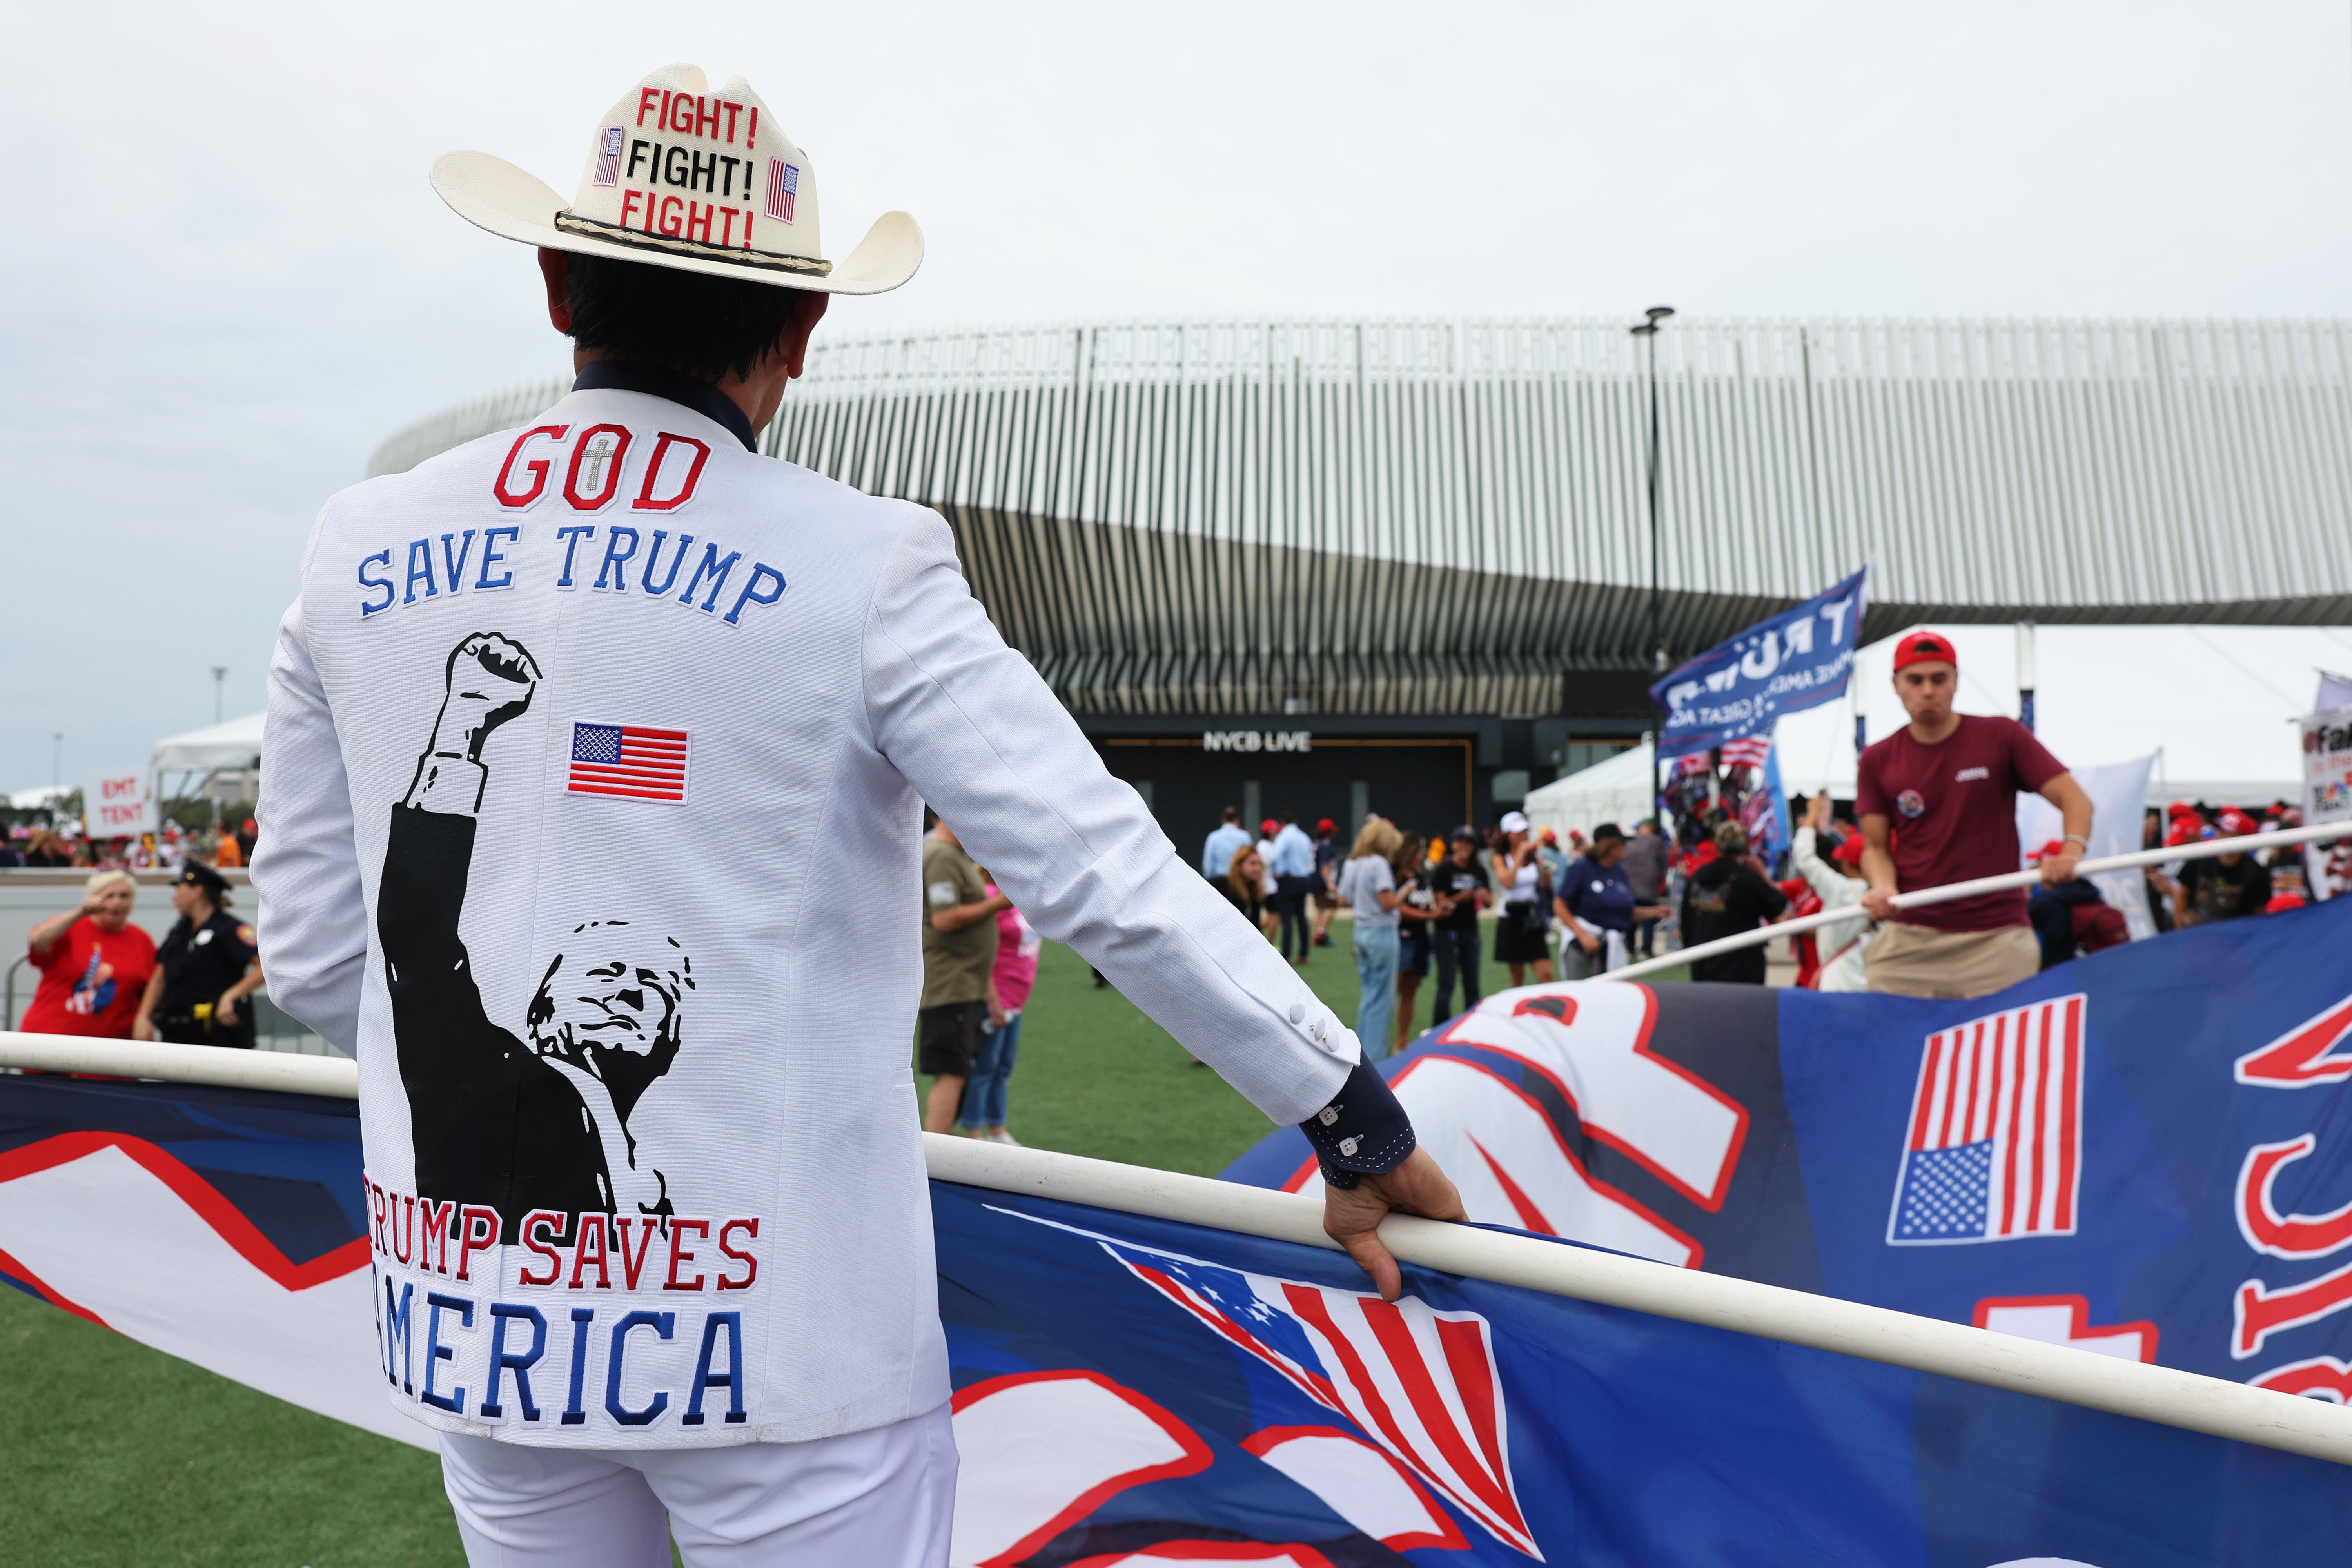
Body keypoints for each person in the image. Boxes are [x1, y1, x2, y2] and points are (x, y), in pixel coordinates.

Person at [252, 64, 1461, 1567]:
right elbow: (1097, 872)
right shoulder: (862, 562)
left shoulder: (356, 544)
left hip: (487, 1337)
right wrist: (1349, 1112)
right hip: (791, 1347)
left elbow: (315, 958)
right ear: (804, 329)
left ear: (559, 286)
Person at [1857, 630, 2093, 1000]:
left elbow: (2074, 798)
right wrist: (1883, 887)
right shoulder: (1877, 758)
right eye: (1915, 680)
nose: (1928, 691)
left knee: (2001, 1054)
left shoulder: (2000, 735)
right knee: (1892, 1048)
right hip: (1912, 936)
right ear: (1896, 685)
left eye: (1939, 679)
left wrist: (2071, 853)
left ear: (1956, 681)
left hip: (1998, 938)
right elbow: (1875, 848)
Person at [920, 818, 1008, 1135]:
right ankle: (936, 1162)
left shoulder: (955, 855)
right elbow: (944, 919)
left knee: (958, 1072)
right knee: (951, 1073)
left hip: (963, 985)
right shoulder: (941, 855)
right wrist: (997, 903)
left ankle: (940, 1155)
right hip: (949, 986)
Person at [135, 862, 261, 1047]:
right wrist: (144, 1016)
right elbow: (161, 973)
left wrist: (231, 996)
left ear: (198, 891)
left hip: (217, 1036)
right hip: (177, 1034)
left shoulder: (229, 928)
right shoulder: (180, 932)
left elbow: (263, 968)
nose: (174, 897)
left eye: (179, 890)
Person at [21, 870, 157, 1039]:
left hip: (112, 1049)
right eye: (109, 896)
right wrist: (82, 911)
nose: (117, 903)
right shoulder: (71, 928)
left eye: (124, 896)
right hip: (51, 1040)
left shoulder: (141, 940)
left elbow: (154, 988)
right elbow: (38, 942)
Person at [956, 878, 1038, 1145]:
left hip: (1017, 998)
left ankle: (998, 1130)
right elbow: (979, 953)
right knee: (984, 1066)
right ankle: (973, 1132)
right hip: (995, 998)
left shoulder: (1021, 897)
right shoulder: (991, 897)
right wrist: (992, 1000)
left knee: (1002, 1067)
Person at [1553, 823, 1668, 980]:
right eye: (1621, 843)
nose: (1625, 846)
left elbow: (1624, 912)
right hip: (1583, 945)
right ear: (1608, 845)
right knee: (1583, 995)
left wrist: (1655, 912)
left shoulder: (1619, 871)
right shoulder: (1582, 868)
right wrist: (1582, 935)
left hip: (1611, 946)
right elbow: (1560, 904)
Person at [1679, 822, 1789, 984]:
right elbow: (1777, 905)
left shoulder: (1698, 877)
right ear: (1745, 847)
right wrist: (1761, 873)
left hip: (1703, 966)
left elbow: (1686, 924)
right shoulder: (1746, 878)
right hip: (1742, 971)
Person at [1789, 793, 1872, 991]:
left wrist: (1812, 815)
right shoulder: (1895, 894)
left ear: (1848, 864)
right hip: (1871, 983)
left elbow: (1805, 858)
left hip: (1840, 983)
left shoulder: (1843, 890)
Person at [1338, 818, 1405, 1059]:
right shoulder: (1379, 864)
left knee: (1369, 995)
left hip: (1361, 931)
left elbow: (1343, 899)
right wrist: (1404, 894)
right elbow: (1387, 904)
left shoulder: (1352, 863)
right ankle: (1376, 1058)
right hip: (1381, 932)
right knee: (1382, 1000)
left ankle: (1361, 1053)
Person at [2151, 810, 2272, 926]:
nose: (2221, 836)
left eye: (2228, 833)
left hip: (2235, 935)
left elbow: (2260, 912)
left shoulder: (2256, 872)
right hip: (2198, 931)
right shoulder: (2200, 859)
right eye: (2220, 831)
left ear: (2243, 838)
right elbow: (2182, 895)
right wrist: (2180, 932)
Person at [2025, 841, 2131, 967]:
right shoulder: (2087, 891)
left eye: (2038, 864)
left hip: (2055, 970)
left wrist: (2026, 892)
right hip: (2088, 967)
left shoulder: (2045, 901)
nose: (2033, 868)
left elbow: (2020, 924)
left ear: (2052, 866)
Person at [1426, 829, 1489, 1022]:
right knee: (1446, 984)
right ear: (1453, 845)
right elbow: (1441, 904)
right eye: (1461, 842)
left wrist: (1484, 896)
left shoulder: (1479, 870)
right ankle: (1440, 1028)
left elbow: (1489, 901)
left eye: (1469, 843)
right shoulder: (1444, 870)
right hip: (1447, 932)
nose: (1465, 847)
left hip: (1470, 932)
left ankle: (1473, 1026)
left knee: (1472, 985)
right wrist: (1460, 898)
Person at [1490, 811, 1553, 986]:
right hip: (1512, 918)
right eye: (1517, 832)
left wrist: (1546, 875)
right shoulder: (1500, 858)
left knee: (1546, 974)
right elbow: (1508, 883)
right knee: (1518, 976)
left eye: (1524, 831)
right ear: (1507, 835)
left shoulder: (1534, 858)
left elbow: (1543, 887)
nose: (1522, 836)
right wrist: (1520, 855)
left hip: (1532, 918)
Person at [1391, 832, 1437, 1051]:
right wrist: (1431, 917)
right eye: (1419, 850)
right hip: (1401, 939)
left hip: (1420, 940)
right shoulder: (1395, 875)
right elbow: (1398, 909)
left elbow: (1430, 902)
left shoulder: (1425, 875)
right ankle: (1379, 1042)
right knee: (1393, 991)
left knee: (1411, 991)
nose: (1422, 855)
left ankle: (1402, 1041)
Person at [1269, 811, 1317, 964]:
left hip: (1288, 880)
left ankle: (1287, 956)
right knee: (1302, 917)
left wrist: (1276, 873)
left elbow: (1274, 856)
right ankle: (1304, 955)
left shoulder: (1284, 837)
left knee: (1287, 919)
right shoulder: (1305, 837)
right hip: (1303, 879)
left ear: (1282, 823)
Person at [1622, 819, 1670, 959]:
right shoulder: (1656, 842)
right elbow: (1663, 864)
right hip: (1648, 887)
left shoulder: (1630, 842)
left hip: (1629, 887)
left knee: (1631, 918)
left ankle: (1630, 949)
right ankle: (1646, 951)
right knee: (1649, 918)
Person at [1219, 844, 1270, 928]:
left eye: (1259, 864)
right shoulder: (1222, 885)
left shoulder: (1254, 890)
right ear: (1239, 865)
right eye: (1253, 864)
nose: (1258, 869)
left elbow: (1255, 926)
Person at [1310, 818, 1342, 948]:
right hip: (1323, 882)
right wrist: (1330, 883)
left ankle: (1316, 936)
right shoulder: (1325, 846)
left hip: (1314, 880)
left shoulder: (1316, 844)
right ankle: (1320, 934)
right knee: (1332, 907)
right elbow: (1325, 866)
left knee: (1320, 909)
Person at [1200, 806, 1250, 881]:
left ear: (1223, 820)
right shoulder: (1245, 836)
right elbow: (1250, 857)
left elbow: (1208, 862)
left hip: (1220, 880)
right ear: (1237, 820)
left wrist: (1209, 880)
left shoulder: (1213, 837)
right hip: (1240, 880)